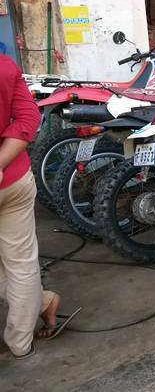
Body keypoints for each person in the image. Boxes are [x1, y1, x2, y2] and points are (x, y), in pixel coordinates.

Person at [0, 55, 79, 360]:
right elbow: (28, 118)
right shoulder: (6, 65)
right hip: (14, 178)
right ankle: (25, 335)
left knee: (16, 264)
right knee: (19, 263)